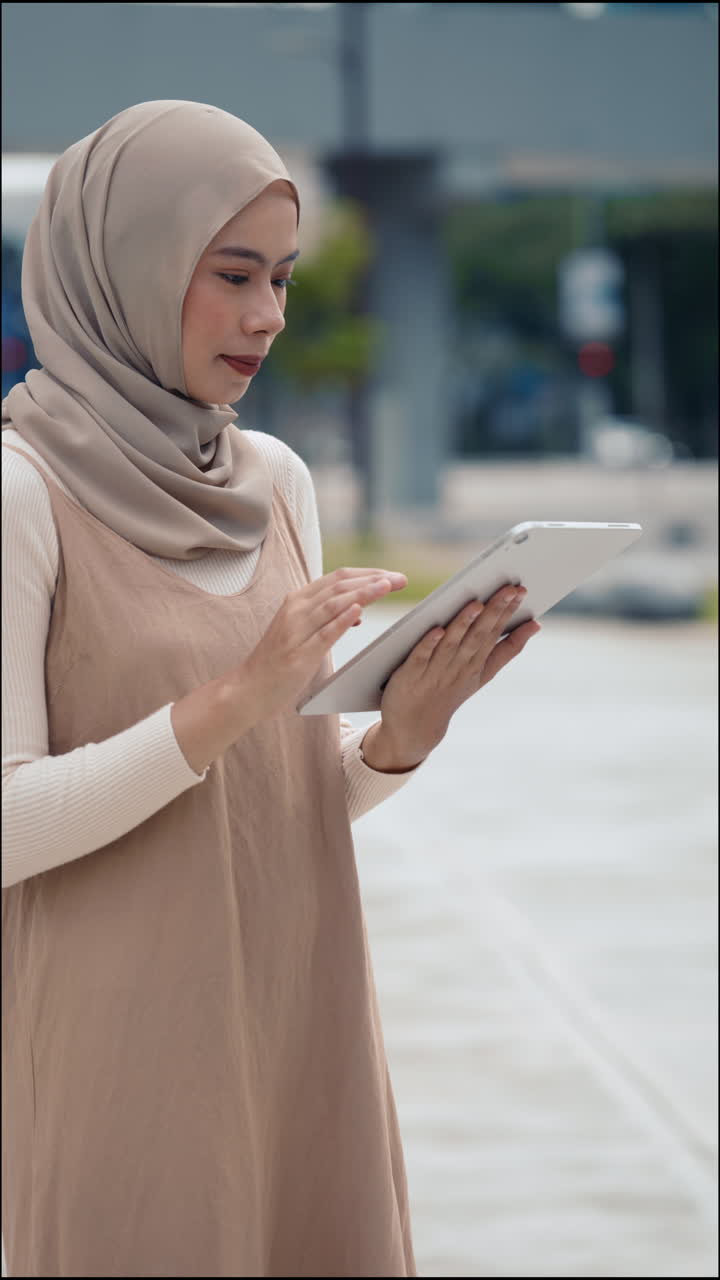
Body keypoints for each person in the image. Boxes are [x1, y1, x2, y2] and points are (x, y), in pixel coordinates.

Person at [1, 100, 540, 1279]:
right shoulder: (21, 492)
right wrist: (237, 697)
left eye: (285, 278)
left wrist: (398, 738)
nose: (267, 317)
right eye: (232, 272)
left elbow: (273, 809)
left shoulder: (273, 480)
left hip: (302, 1026)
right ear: (128, 266)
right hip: (115, 1056)